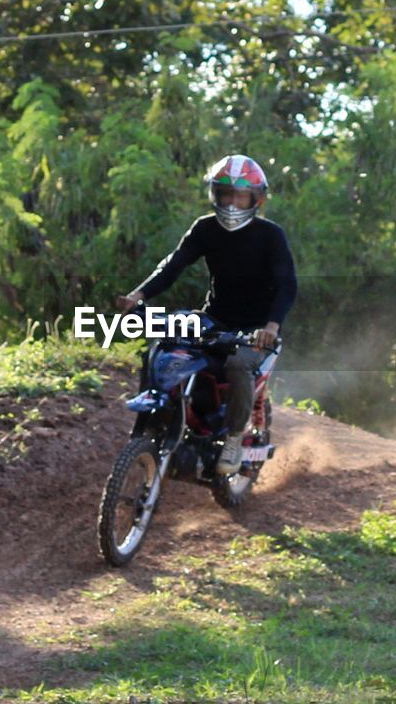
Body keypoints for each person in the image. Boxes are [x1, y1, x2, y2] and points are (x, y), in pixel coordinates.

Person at [116, 154, 297, 475]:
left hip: (255, 329)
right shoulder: (205, 228)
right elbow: (173, 265)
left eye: (241, 195)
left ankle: (233, 437)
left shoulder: (271, 236)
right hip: (213, 317)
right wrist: (138, 295)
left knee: (239, 364)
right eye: (226, 193)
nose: (232, 202)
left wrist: (271, 325)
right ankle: (160, 410)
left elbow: (287, 286)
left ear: (257, 199)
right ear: (216, 194)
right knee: (163, 341)